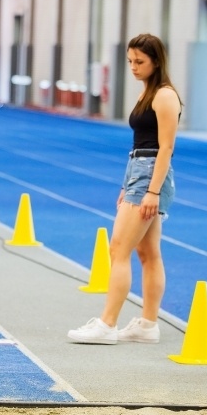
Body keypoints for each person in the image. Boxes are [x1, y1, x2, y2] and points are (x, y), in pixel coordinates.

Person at [68, 33, 180, 345]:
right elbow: (140, 143)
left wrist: (152, 191)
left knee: (118, 249)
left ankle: (108, 324)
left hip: (150, 174)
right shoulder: (148, 92)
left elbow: (166, 148)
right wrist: (125, 184)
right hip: (138, 170)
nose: (133, 67)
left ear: (156, 61)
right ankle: (147, 325)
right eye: (130, 61)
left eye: (139, 61)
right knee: (148, 252)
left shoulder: (165, 95)